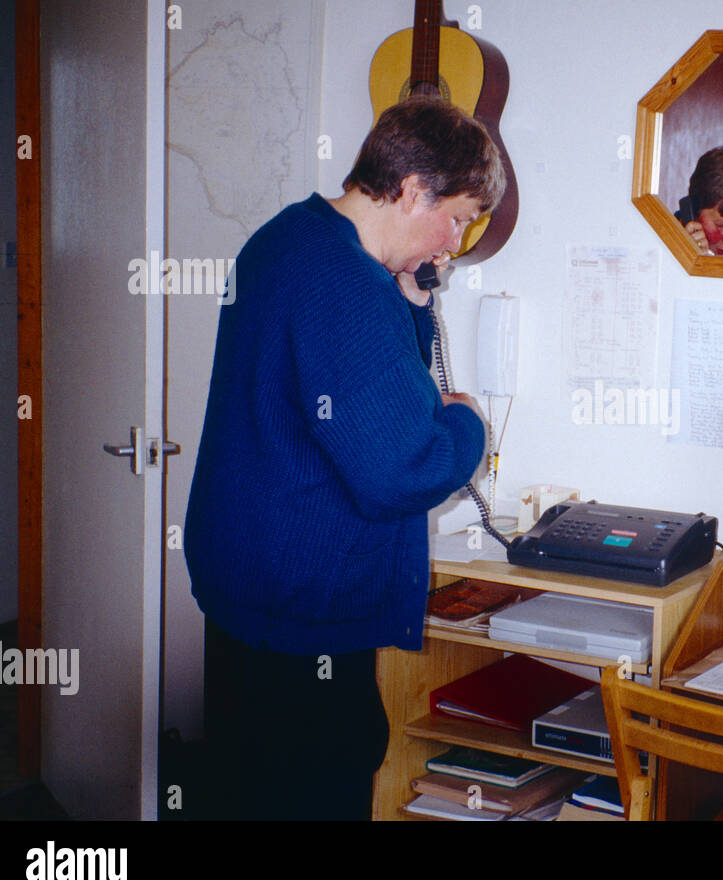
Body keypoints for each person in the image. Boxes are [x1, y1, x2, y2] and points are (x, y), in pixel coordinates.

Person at [183, 96, 504, 820]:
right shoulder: (344, 289)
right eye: (455, 216)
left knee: (244, 792)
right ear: (414, 189)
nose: (454, 243)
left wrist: (415, 302)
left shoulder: (289, 239)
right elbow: (402, 468)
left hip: (249, 601)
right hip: (305, 618)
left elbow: (374, 387)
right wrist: (470, 429)